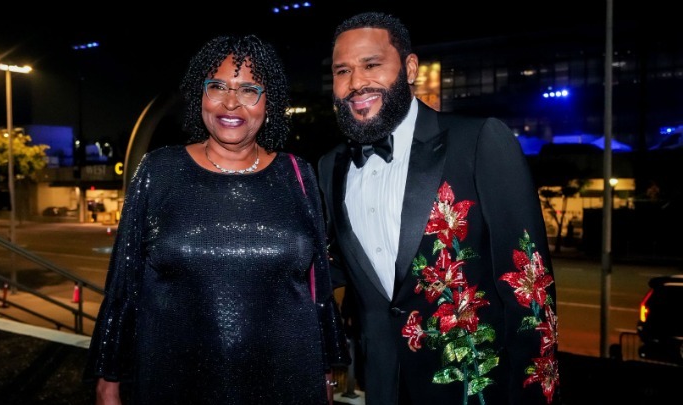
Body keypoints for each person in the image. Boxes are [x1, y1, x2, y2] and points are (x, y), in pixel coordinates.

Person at [84, 34, 349, 405]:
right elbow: (123, 285)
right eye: (218, 86)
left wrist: (326, 374)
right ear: (200, 93)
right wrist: (107, 381)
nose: (230, 102)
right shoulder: (159, 171)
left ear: (269, 102)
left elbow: (317, 284)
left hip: (288, 380)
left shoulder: (297, 174)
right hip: (175, 381)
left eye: (249, 90)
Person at [318, 11, 560, 405]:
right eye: (342, 71)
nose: (356, 82)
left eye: (372, 65)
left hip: (473, 390)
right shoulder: (331, 166)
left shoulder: (479, 141)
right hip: (382, 389)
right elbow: (335, 266)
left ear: (410, 68)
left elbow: (531, 289)